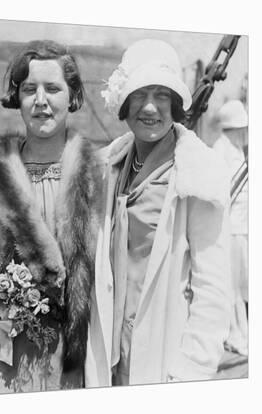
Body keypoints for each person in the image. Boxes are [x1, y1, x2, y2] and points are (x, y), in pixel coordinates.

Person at [85, 39, 232, 386]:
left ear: (177, 104)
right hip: (109, 357)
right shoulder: (107, 167)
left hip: (165, 359)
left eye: (162, 96)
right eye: (140, 94)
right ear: (124, 104)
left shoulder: (198, 173)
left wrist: (189, 373)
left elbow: (213, 289)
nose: (150, 107)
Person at [0, 40, 101, 395]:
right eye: (29, 89)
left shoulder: (98, 174)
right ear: (18, 98)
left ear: (72, 96)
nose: (41, 100)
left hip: (73, 355)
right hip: (3, 349)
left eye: (53, 88)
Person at [213, 99, 248, 356]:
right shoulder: (220, 151)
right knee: (232, 286)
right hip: (230, 229)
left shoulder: (239, 150)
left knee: (243, 284)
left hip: (244, 229)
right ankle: (234, 334)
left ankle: (243, 332)